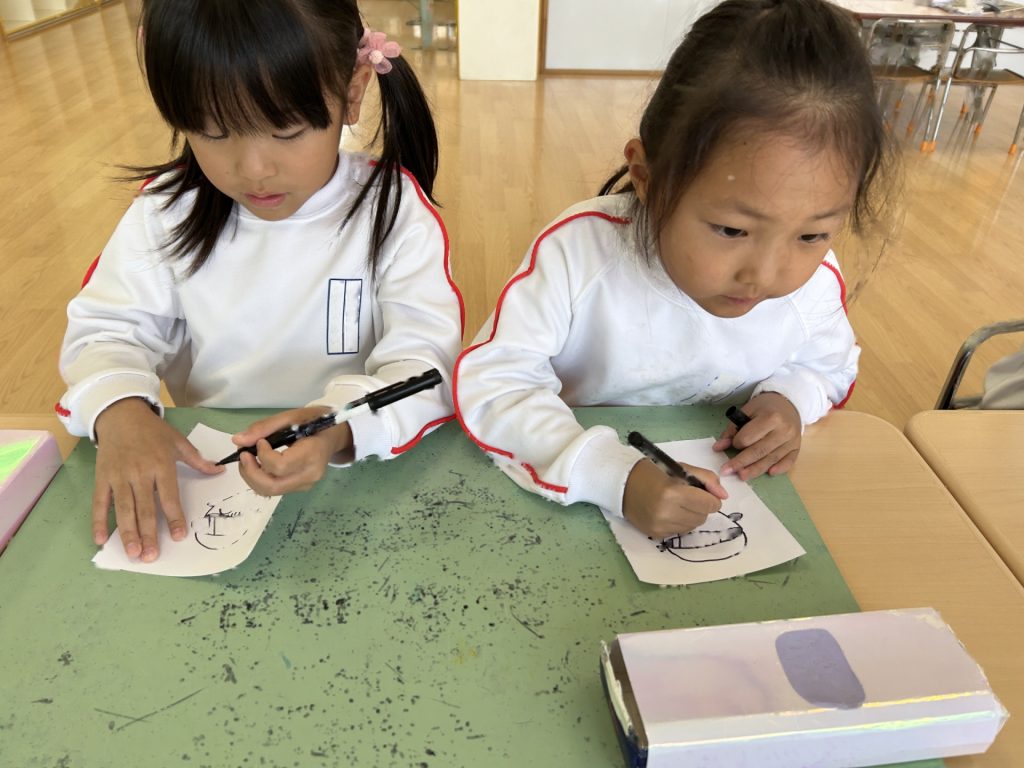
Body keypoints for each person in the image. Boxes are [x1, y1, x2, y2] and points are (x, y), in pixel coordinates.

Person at [454, 0, 893, 541]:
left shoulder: (816, 282)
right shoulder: (579, 255)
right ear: (646, 177)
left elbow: (827, 366)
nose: (764, 275)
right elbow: (495, 383)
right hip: (568, 502)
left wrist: (789, 402)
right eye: (732, 230)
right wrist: (611, 474)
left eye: (812, 235)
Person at [57, 0, 464, 562]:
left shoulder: (394, 212)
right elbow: (106, 331)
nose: (253, 169)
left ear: (352, 93)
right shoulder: (164, 213)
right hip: (216, 476)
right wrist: (120, 409)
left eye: (286, 130)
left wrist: (340, 428)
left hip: (364, 475)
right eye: (212, 131)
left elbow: (424, 368)